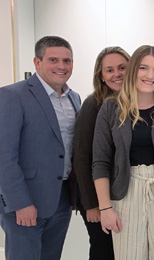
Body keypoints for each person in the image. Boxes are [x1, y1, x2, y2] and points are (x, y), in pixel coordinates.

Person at [92, 45, 154, 260]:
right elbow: (100, 161)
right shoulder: (111, 108)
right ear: (133, 71)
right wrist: (105, 208)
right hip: (124, 194)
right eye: (143, 68)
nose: (150, 75)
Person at [0, 36, 80, 260]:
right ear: (37, 62)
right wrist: (20, 203)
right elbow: (4, 156)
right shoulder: (12, 95)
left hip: (61, 201)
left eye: (67, 60)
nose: (61, 66)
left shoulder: (74, 98)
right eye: (53, 60)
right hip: (26, 203)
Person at [73, 46, 130, 260]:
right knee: (103, 251)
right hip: (97, 200)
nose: (117, 74)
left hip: (121, 195)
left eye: (122, 67)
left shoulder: (135, 103)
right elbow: (81, 157)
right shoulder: (93, 104)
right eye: (109, 70)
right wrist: (92, 205)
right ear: (101, 76)